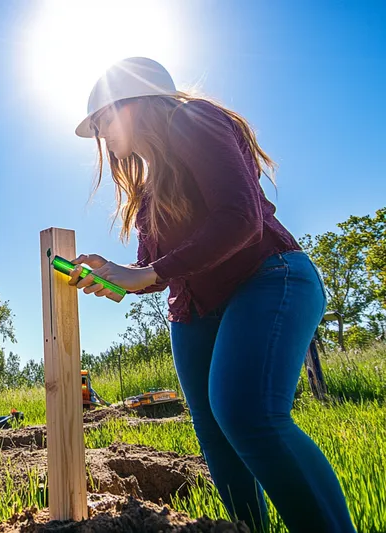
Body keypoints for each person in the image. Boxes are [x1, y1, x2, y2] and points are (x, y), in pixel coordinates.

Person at [68, 57, 355, 533]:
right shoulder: (146, 191)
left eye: (103, 117)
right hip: (194, 311)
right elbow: (153, 272)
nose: (100, 132)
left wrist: (149, 272)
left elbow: (242, 219)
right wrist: (118, 274)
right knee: (217, 438)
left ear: (138, 103)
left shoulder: (195, 120)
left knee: (247, 415)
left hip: (268, 278)